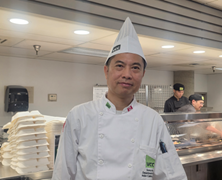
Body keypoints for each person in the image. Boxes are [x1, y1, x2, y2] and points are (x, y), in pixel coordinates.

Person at [52, 17, 187, 180]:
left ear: (143, 74)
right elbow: (62, 174)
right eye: (119, 66)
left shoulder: (153, 120)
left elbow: (172, 174)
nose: (127, 74)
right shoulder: (79, 116)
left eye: (135, 68)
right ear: (106, 71)